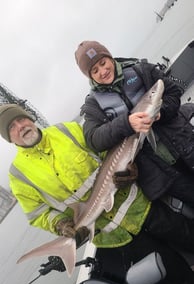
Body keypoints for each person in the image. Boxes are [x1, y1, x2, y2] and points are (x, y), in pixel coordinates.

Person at [1, 103, 194, 284]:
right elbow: (37, 214)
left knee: (189, 235)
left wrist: (129, 169)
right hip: (113, 236)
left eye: (21, 119)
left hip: (140, 207)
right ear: (9, 138)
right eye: (11, 127)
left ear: (30, 118)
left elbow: (105, 150)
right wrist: (60, 225)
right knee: (174, 275)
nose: (20, 127)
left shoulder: (66, 130)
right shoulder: (18, 175)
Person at [74, 40, 194, 212]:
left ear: (110, 58)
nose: (103, 71)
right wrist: (127, 123)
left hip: (185, 144)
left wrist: (161, 112)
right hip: (160, 172)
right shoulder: (93, 105)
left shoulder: (141, 70)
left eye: (103, 62)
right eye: (95, 70)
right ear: (90, 76)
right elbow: (93, 139)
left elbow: (173, 92)